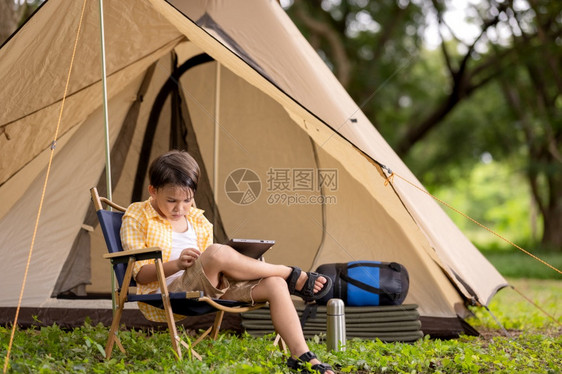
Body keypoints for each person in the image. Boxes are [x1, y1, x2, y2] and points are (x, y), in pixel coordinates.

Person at [121, 150, 334, 374]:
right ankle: (289, 272)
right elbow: (139, 275)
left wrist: (239, 260)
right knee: (215, 253)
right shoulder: (137, 215)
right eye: (172, 200)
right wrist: (177, 264)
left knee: (275, 284)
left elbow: (210, 267)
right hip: (168, 292)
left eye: (187, 200)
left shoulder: (198, 219)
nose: (180, 208)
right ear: (153, 191)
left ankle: (302, 356)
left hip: (210, 287)